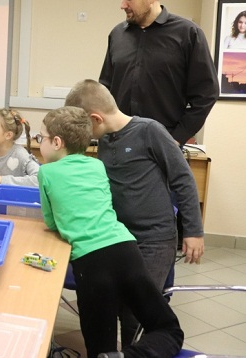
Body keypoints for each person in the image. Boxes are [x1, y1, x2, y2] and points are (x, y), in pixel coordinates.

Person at [65, 79, 204, 347]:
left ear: (96, 119)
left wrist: (194, 231)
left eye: (84, 127)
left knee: (135, 312)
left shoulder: (150, 131)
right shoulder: (105, 141)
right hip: (120, 238)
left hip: (155, 240)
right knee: (112, 303)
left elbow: (183, 179)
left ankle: (135, 351)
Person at [37, 106, 183, 358]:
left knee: (99, 347)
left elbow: (52, 222)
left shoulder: (46, 172)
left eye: (41, 138)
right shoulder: (97, 166)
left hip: (91, 263)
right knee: (168, 328)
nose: (39, 142)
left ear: (57, 142)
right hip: (127, 251)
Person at [99, 0, 219, 147]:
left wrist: (177, 138)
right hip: (117, 142)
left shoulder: (188, 34)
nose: (122, 5)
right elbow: (105, 87)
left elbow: (207, 93)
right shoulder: (117, 34)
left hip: (162, 145)